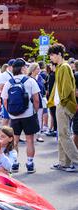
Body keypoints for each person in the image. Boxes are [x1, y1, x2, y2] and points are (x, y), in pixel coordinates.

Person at [1, 58, 40, 174]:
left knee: (14, 141)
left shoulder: (9, 82)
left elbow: (5, 100)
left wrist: (10, 112)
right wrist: (35, 111)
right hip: (28, 115)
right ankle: (30, 163)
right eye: (25, 66)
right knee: (29, 140)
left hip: (14, 116)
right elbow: (36, 99)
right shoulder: (30, 81)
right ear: (23, 68)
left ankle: (14, 163)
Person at [47, 43, 78, 172]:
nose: (51, 58)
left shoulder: (64, 67)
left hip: (63, 105)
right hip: (62, 104)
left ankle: (75, 161)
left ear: (59, 54)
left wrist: (63, 102)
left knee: (64, 135)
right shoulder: (61, 67)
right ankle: (64, 162)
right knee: (62, 135)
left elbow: (66, 88)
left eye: (52, 55)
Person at [27, 63, 46, 143]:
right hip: (30, 101)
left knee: (39, 118)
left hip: (40, 99)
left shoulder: (40, 77)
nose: (39, 70)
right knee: (30, 117)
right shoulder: (28, 78)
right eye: (37, 68)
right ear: (33, 69)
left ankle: (39, 135)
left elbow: (43, 89)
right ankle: (30, 134)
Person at [0, 60, 15, 126]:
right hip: (7, 99)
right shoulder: (4, 75)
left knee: (12, 117)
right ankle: (3, 133)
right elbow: (1, 87)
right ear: (10, 66)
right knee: (6, 117)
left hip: (13, 98)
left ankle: (10, 134)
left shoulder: (13, 74)